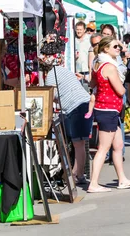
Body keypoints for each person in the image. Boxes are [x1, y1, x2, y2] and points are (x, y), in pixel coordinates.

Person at [87, 36, 130, 192]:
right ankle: (94, 183)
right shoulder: (109, 67)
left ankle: (122, 179)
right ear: (106, 49)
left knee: (118, 145)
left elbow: (92, 83)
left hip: (107, 108)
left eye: (119, 46)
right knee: (103, 148)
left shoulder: (98, 64)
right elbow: (120, 90)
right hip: (108, 108)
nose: (119, 48)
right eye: (115, 46)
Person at [38, 47, 93, 186]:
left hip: (77, 106)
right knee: (79, 143)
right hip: (81, 105)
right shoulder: (62, 70)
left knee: (78, 143)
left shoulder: (51, 75)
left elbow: (51, 96)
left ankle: (75, 175)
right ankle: (78, 174)